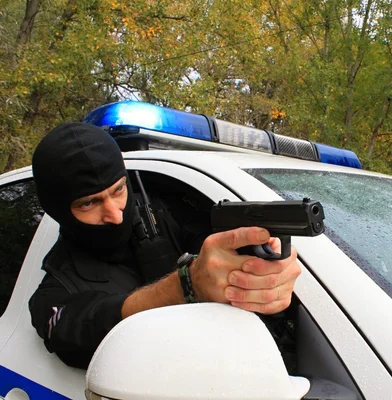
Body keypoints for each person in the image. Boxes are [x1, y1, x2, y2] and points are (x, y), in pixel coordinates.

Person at [28, 122, 301, 369]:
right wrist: (187, 284)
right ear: (59, 211)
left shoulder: (163, 212)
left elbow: (213, 242)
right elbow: (86, 325)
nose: (116, 213)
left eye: (118, 190)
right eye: (89, 203)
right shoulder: (55, 288)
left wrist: (262, 271)